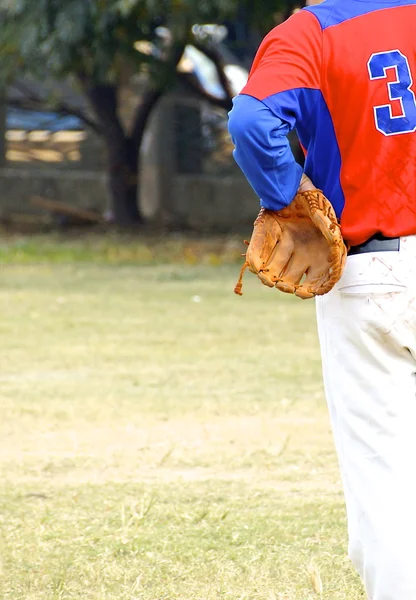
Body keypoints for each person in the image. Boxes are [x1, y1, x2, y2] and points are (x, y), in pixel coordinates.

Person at [228, 1, 416, 598]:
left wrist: (289, 195)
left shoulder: (311, 32)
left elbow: (253, 124)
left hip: (374, 274)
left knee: (385, 492)